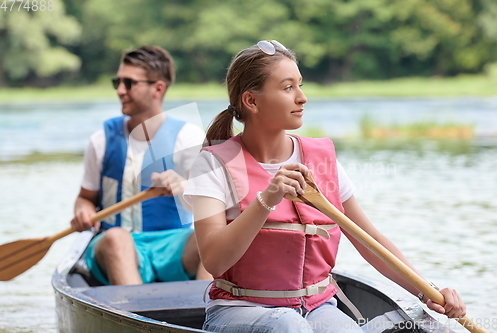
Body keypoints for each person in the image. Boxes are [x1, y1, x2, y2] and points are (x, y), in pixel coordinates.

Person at [183, 40, 466, 333]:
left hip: (318, 308)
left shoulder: (322, 160)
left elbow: (370, 240)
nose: (302, 98)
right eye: (287, 87)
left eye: (300, 85)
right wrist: (267, 198)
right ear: (251, 101)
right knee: (289, 326)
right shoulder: (213, 164)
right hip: (239, 311)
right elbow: (215, 261)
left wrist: (427, 291)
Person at [71, 45, 211, 285]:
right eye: (118, 82)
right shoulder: (101, 140)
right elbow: (86, 197)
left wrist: (183, 184)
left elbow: (214, 201)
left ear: (158, 88)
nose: (121, 91)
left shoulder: (188, 137)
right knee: (116, 238)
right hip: (116, 246)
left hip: (173, 245)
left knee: (213, 234)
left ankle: (207, 313)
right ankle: (136, 318)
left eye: (129, 83)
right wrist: (82, 211)